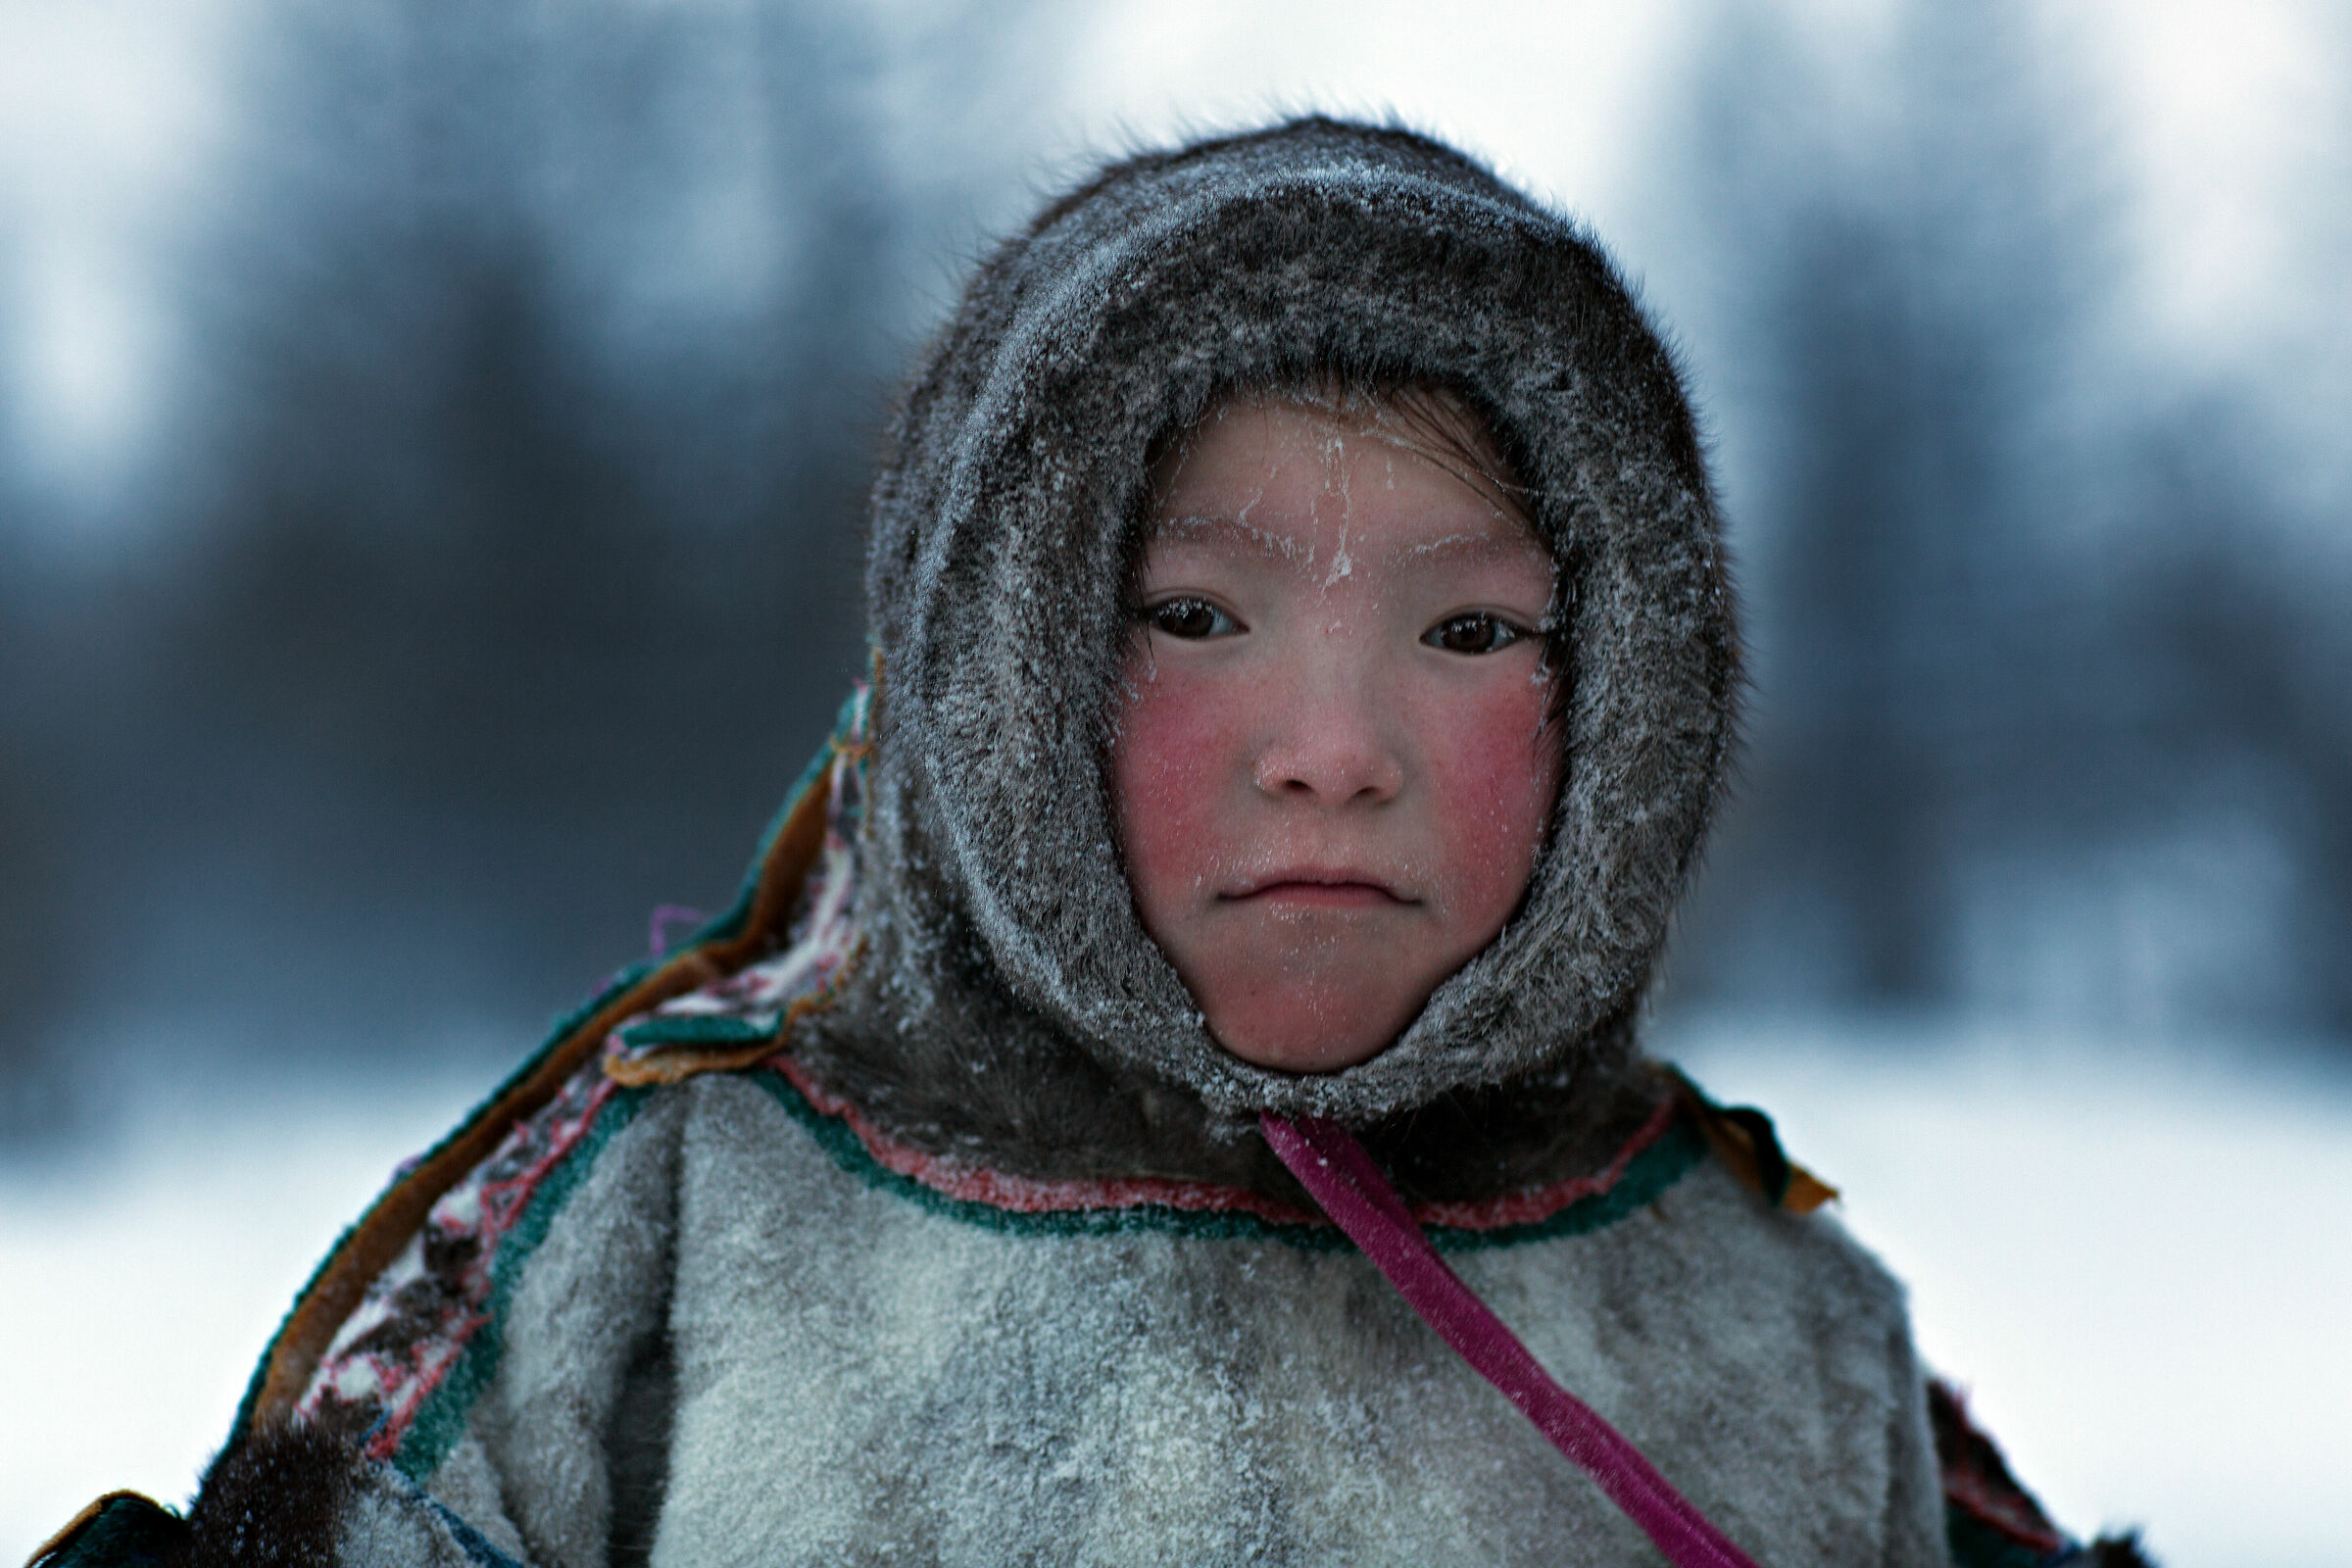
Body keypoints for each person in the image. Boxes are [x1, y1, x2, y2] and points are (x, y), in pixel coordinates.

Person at [32, 117, 2148, 1568]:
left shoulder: (1757, 1297)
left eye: (1472, 628)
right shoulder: (670, 1207)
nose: (1334, 749)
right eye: (1199, 616)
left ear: (1633, 701)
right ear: (1003, 661)